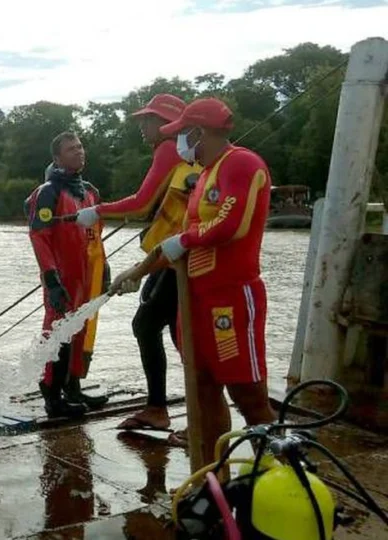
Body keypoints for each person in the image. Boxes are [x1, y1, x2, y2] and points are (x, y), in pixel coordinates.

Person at [109, 97, 276, 460]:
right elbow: (178, 247)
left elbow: (232, 225)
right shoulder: (203, 176)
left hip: (231, 297)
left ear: (199, 131)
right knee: (202, 388)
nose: (179, 143)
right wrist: (137, 273)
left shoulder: (242, 163)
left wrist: (181, 240)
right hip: (196, 297)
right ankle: (212, 476)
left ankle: (285, 470)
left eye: (183, 134)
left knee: (248, 393)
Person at [73, 94, 203, 433]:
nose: (142, 126)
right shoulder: (181, 153)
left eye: (148, 120)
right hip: (173, 255)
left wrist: (97, 211)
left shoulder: (167, 149)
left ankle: (183, 415)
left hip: (182, 257)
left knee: (166, 330)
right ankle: (167, 409)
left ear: (166, 123)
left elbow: (142, 203)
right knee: (159, 327)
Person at [25, 132, 110, 418]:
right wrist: (51, 279)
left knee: (81, 332)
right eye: (71, 149)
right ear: (57, 158)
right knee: (58, 333)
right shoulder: (48, 192)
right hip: (62, 275)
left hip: (88, 274)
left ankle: (73, 387)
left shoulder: (91, 192)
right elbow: (39, 236)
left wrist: (104, 268)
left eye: (80, 147)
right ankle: (52, 394)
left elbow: (97, 234)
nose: (79, 152)